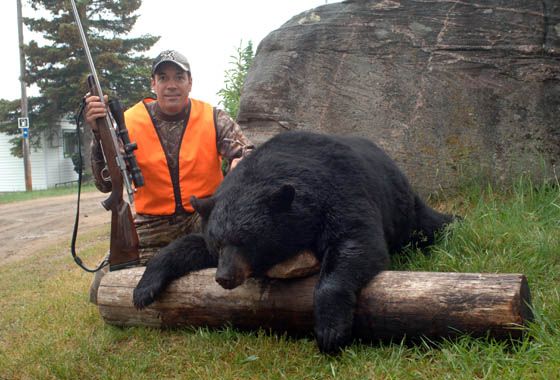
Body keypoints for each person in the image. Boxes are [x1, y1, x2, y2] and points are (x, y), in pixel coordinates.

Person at [85, 50, 254, 300]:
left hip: (204, 218)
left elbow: (247, 151)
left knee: (243, 251)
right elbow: (104, 183)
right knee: (101, 284)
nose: (171, 85)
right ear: (153, 84)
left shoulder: (214, 117)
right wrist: (99, 135)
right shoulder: (125, 124)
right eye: (163, 78)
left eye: (179, 77)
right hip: (152, 222)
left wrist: (242, 162)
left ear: (190, 82)